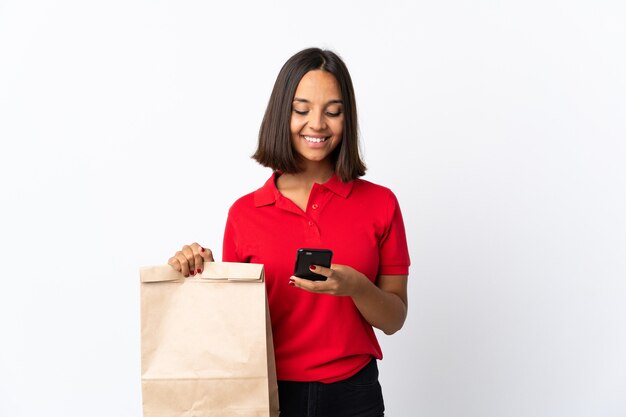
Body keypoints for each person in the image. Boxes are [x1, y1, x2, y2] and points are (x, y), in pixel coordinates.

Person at [167, 48, 410, 417]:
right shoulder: (245, 213)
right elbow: (236, 326)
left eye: (333, 111)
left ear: (348, 119)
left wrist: (357, 287)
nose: (318, 124)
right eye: (302, 109)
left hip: (354, 394)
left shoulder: (381, 203)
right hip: (266, 392)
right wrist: (207, 275)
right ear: (283, 114)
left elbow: (394, 319)